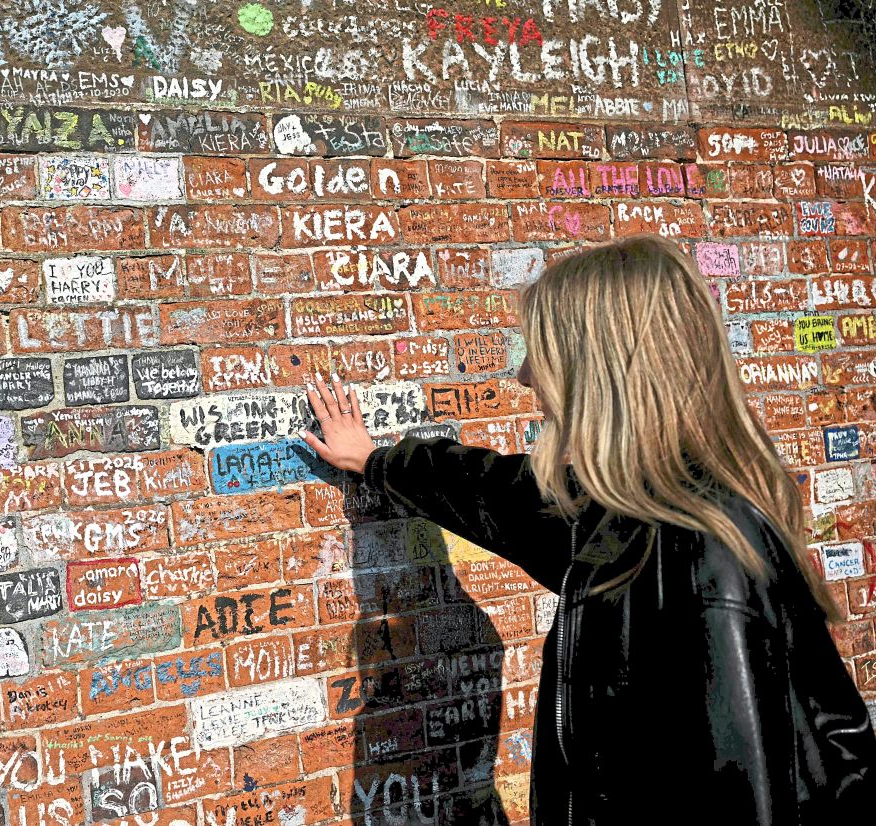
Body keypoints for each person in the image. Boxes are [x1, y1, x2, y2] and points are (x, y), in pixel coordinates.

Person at [299, 234, 876, 825]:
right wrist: (375, 461)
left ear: (599, 368)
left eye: (542, 354)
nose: (525, 377)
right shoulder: (625, 515)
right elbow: (495, 493)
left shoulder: (705, 556)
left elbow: (745, 802)